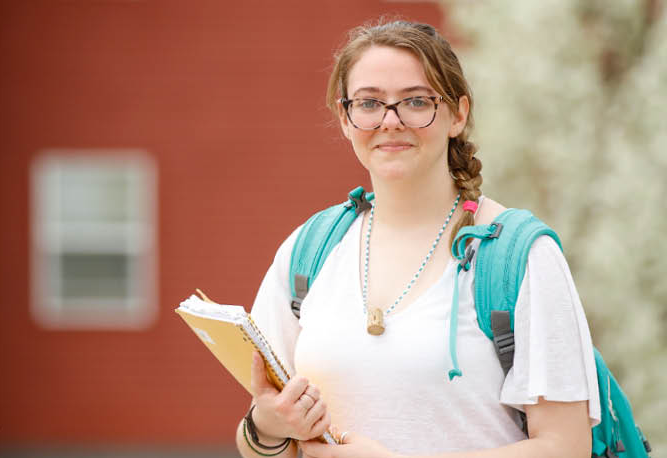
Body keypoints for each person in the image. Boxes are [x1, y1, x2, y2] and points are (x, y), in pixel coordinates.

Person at [233, 20, 601, 458]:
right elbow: (256, 442)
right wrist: (265, 428)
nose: (390, 121)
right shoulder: (308, 250)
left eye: (415, 101)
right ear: (346, 117)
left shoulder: (517, 256)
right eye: (369, 103)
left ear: (457, 114)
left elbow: (566, 447)